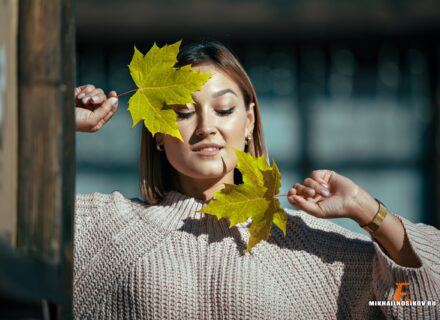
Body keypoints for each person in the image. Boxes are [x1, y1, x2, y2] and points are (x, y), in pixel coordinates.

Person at [73, 41, 440, 319]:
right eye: (184, 112)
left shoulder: (312, 251)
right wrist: (57, 118)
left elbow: (426, 302)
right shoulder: (102, 229)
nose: (206, 128)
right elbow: (16, 229)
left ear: (248, 122)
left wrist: (368, 211)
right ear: (157, 130)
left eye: (224, 110)